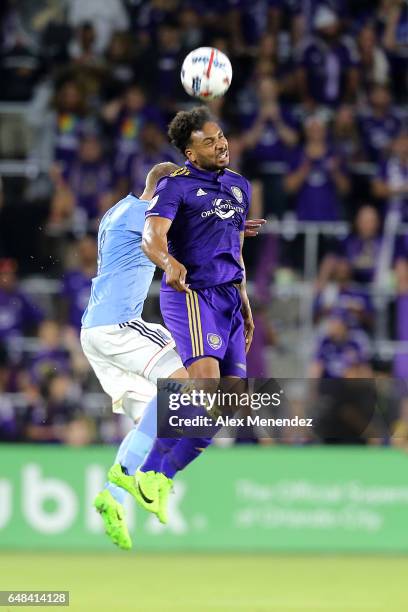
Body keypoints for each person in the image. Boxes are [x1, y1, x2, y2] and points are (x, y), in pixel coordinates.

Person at [80, 160, 264, 550]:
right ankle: (135, 475)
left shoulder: (118, 210)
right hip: (120, 327)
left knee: (160, 413)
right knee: (190, 384)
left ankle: (112, 496)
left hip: (94, 332)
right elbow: (175, 235)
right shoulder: (145, 217)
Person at [142, 107, 254, 381]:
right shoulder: (174, 186)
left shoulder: (239, 186)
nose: (221, 145)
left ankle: (170, 421)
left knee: (232, 401)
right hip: (192, 292)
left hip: (228, 295)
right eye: (209, 142)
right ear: (190, 154)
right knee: (206, 382)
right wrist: (168, 262)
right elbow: (150, 237)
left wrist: (244, 299)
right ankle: (155, 415)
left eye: (221, 136)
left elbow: (235, 249)